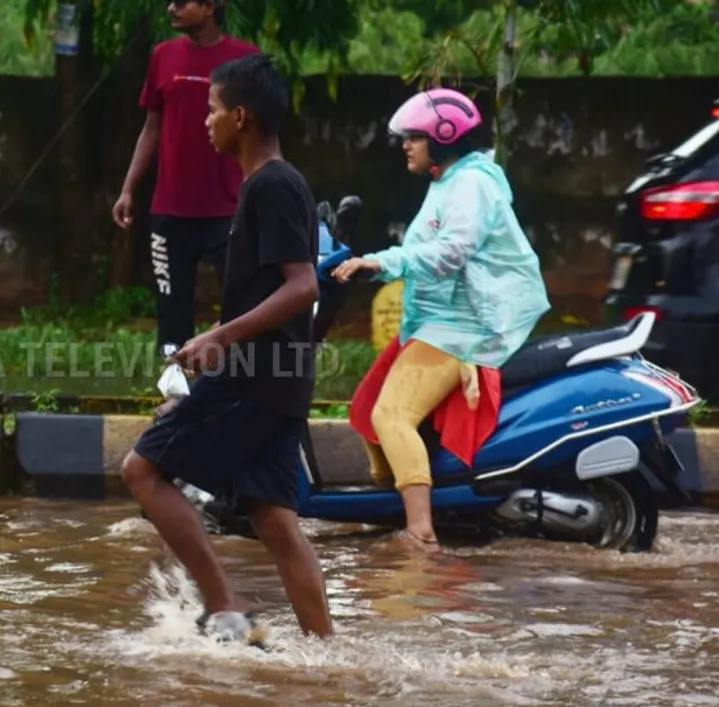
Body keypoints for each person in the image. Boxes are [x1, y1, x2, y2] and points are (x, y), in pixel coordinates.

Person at [121, 54, 333, 643]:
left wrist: (220, 337)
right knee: (272, 517)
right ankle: (326, 658)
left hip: (258, 377)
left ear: (240, 116)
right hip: (274, 376)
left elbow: (303, 285)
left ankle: (224, 608)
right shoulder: (266, 185)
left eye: (212, 111)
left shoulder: (272, 185)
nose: (204, 122)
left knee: (141, 470)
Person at [330, 88, 551, 554]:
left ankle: (421, 533)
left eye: (413, 138)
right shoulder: (447, 182)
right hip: (435, 324)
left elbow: (452, 252)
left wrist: (380, 262)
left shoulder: (472, 184)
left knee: (392, 415)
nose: (406, 146)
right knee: (367, 407)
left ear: (443, 138)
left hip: (465, 326)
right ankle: (397, 507)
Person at [112, 0, 260, 358]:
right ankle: (174, 394)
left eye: (181, 2)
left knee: (243, 304)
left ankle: (237, 390)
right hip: (170, 211)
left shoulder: (246, 60)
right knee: (171, 313)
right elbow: (152, 127)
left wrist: (264, 193)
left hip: (229, 210)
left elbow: (261, 134)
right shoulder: (163, 56)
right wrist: (128, 189)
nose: (170, 9)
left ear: (209, 7)